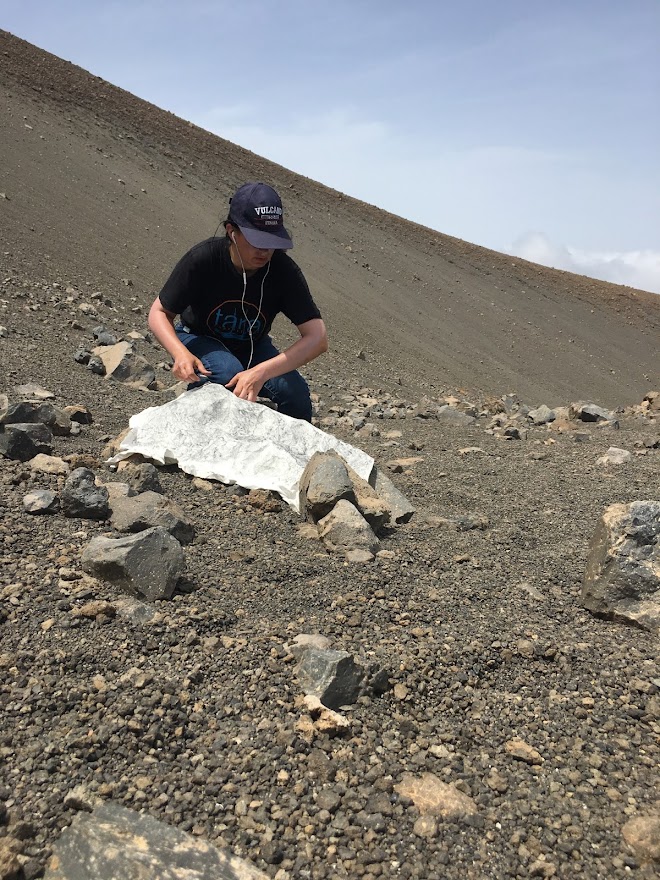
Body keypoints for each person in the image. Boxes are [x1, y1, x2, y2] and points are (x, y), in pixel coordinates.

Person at [148, 182, 328, 421]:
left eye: (272, 241)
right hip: (199, 337)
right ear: (232, 231)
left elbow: (318, 338)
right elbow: (159, 312)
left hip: (253, 345)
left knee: (294, 393)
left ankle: (295, 455)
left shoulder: (283, 271)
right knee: (226, 373)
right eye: (256, 240)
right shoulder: (204, 258)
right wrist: (180, 353)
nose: (265, 251)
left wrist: (261, 372)